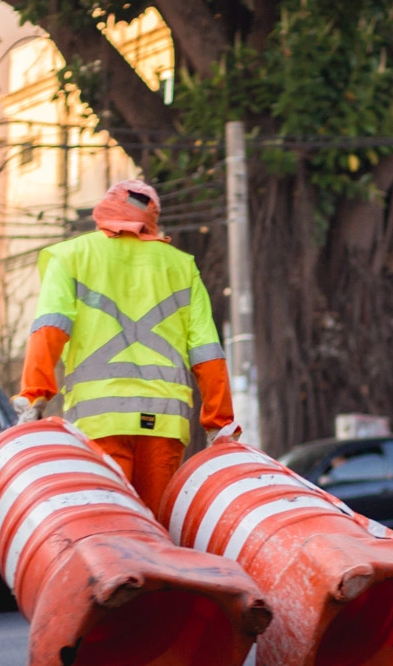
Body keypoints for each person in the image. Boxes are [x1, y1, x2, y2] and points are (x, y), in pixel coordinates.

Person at [16, 179, 236, 514]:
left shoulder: (71, 256)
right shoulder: (180, 266)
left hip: (99, 421)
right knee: (156, 528)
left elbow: (50, 330)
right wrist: (219, 423)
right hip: (163, 423)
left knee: (112, 525)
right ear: (152, 219)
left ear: (104, 210)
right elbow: (206, 350)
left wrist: (34, 395)